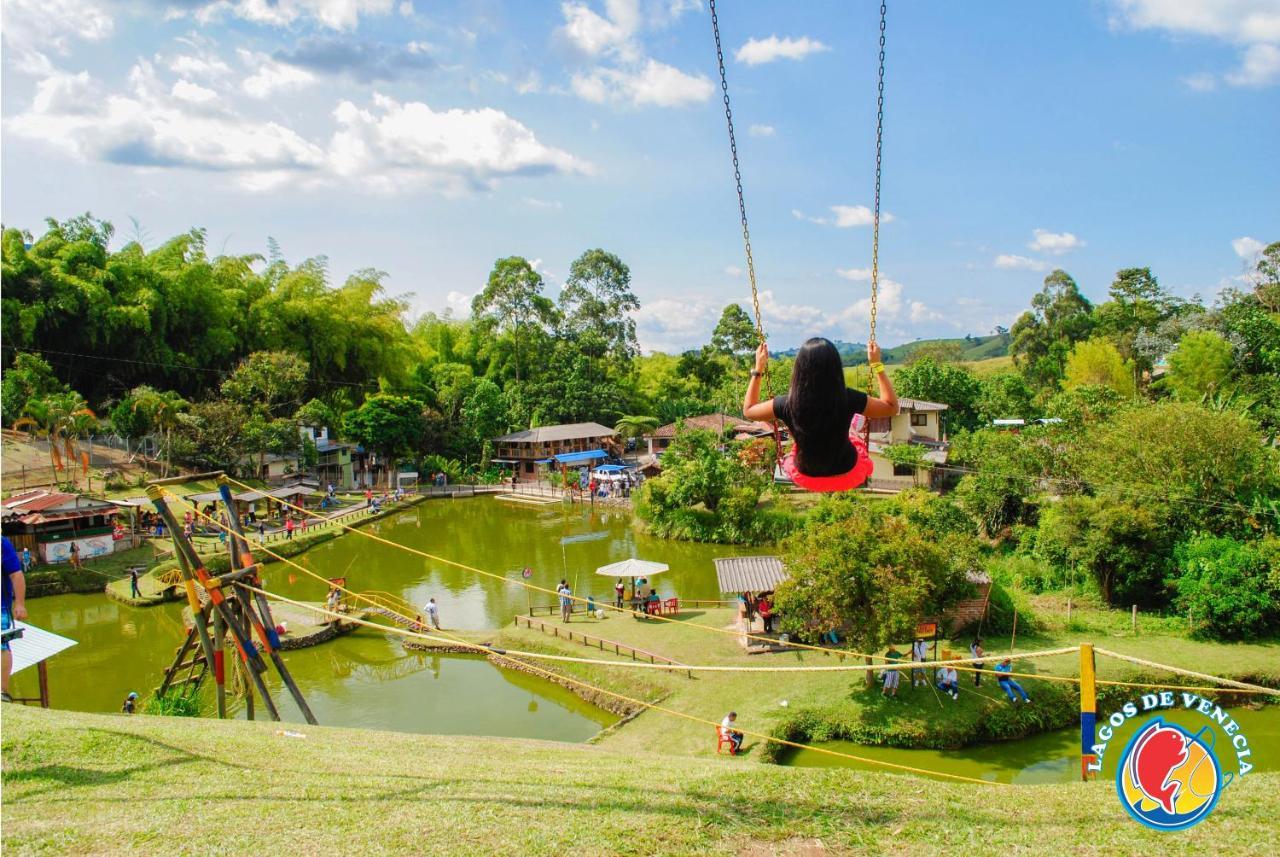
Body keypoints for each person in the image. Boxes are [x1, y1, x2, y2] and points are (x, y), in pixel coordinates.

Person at [743, 338, 899, 492]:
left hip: (805, 474)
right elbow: (891, 408)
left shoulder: (787, 403)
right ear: (836, 368)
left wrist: (758, 369)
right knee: (852, 434)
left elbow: (749, 410)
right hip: (847, 471)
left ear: (799, 368)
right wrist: (877, 365)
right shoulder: (848, 398)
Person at [2, 536, 28, 703]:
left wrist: (19, 603)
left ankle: (1, 692)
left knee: (0, 643)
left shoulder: (1, 544)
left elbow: (16, 575)